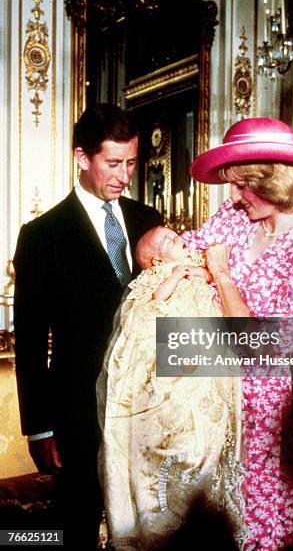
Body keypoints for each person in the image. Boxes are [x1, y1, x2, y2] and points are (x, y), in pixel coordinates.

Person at [182, 117, 293, 549]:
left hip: (257, 403)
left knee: (253, 511)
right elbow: (181, 251)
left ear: (275, 181)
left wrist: (220, 274)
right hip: (206, 387)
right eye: (232, 185)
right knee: (203, 510)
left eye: (243, 185)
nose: (233, 195)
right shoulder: (236, 218)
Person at [13, 104, 162, 549]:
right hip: (77, 411)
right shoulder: (42, 235)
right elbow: (31, 342)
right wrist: (38, 428)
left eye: (132, 163)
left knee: (146, 519)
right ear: (82, 158)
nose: (124, 175)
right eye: (113, 163)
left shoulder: (148, 221)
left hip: (147, 406)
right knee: (76, 523)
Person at [96, 226, 243, 550]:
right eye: (165, 240)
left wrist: (201, 272)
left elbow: (209, 276)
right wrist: (175, 276)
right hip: (173, 353)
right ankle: (165, 523)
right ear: (156, 260)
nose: (175, 237)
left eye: (173, 233)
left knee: (208, 431)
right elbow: (154, 302)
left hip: (205, 348)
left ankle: (201, 512)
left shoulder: (195, 260)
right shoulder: (157, 276)